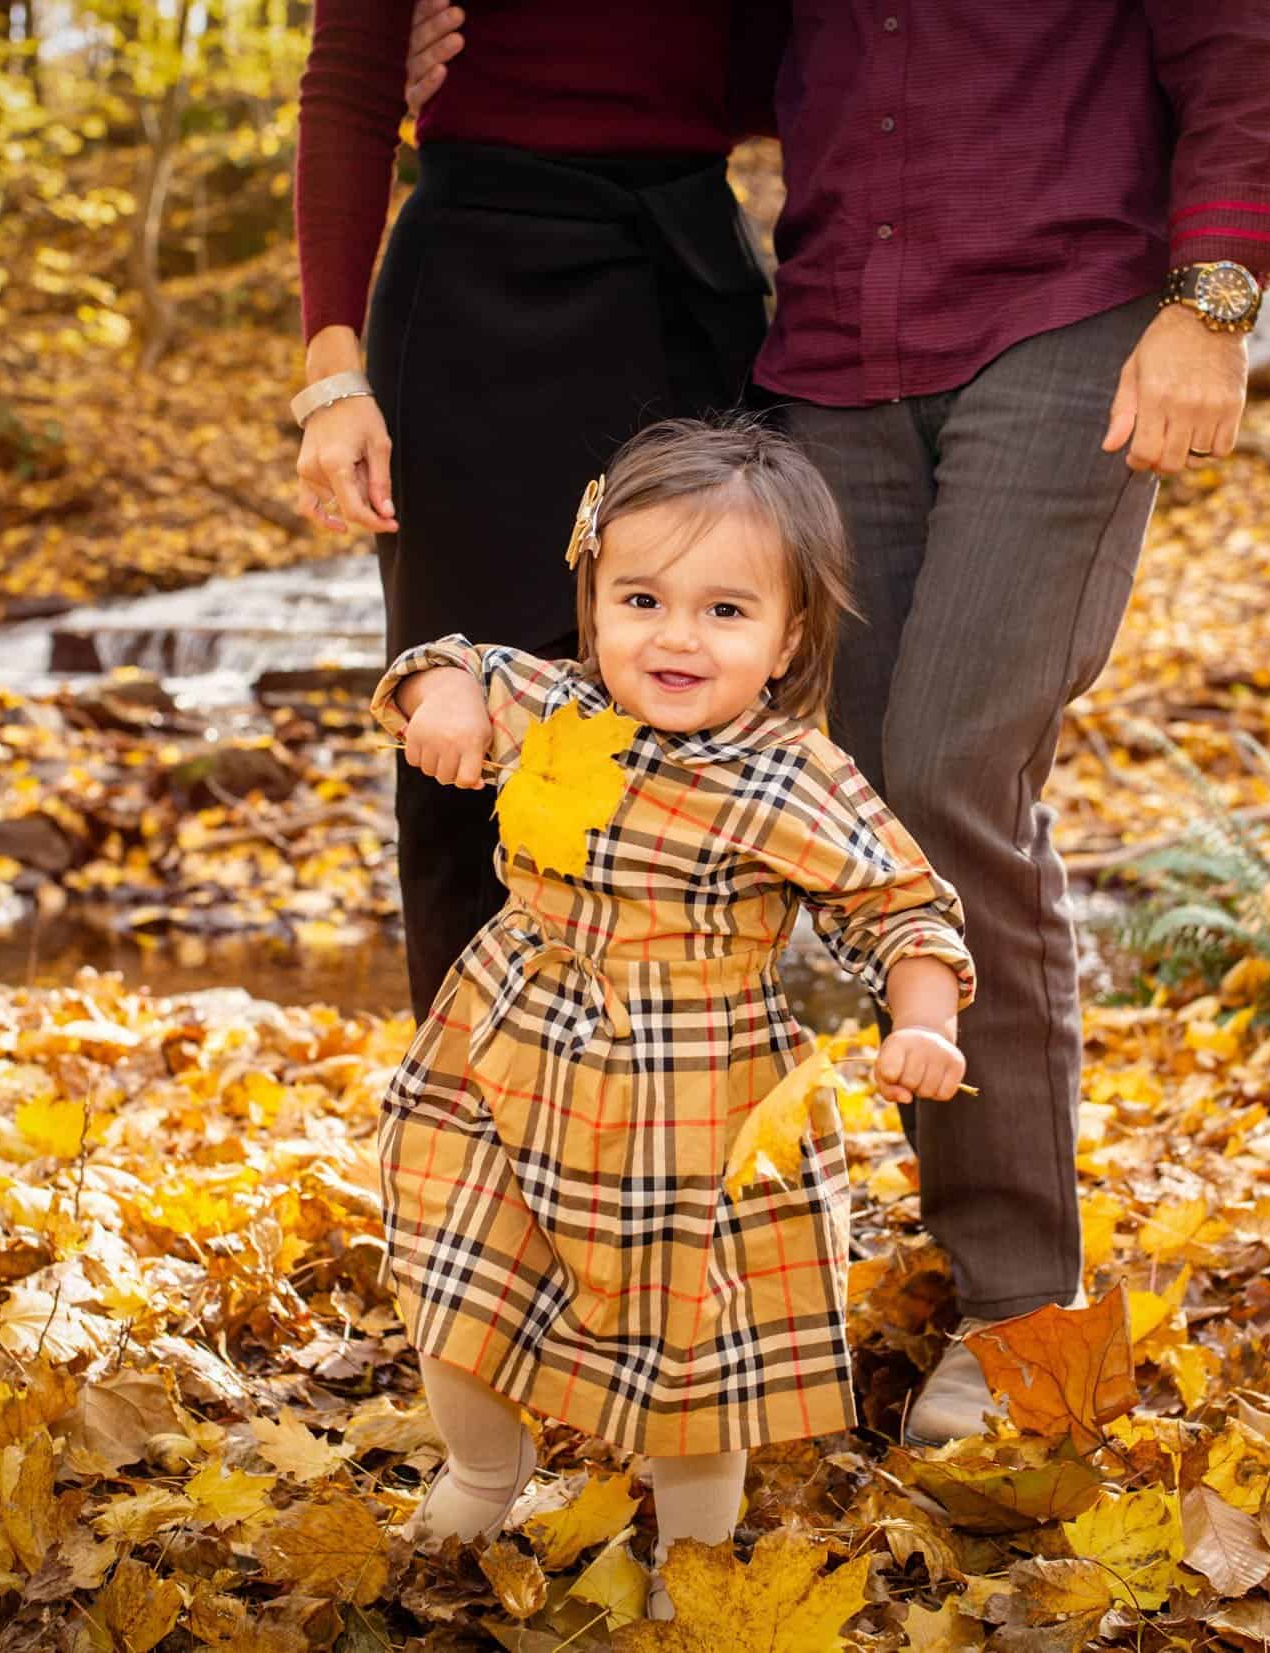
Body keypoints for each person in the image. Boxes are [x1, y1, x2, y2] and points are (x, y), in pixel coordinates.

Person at [403, 0, 1270, 1448]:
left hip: (1065, 323)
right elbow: (712, 60)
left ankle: (1027, 1311)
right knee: (809, 782)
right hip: (832, 349)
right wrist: (458, 72)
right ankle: (634, 1247)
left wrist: (1213, 302)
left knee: (953, 770)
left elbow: (1233, 42)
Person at [369, 419, 974, 1604]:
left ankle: (689, 1550)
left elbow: (904, 907)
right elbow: (443, 663)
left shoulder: (792, 776)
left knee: (689, 1346)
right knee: (458, 1278)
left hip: (693, 1089)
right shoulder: (552, 703)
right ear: (592, 597)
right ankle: (485, 1473)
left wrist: (925, 1020)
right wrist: (439, 699)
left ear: (789, 634)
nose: (675, 637)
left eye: (725, 612)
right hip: (509, 1052)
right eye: (640, 598)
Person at [291, 1, 785, 1020]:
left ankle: (672, 1103)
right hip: (477, 287)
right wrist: (332, 376)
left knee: (699, 706)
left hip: (689, 278)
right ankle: (470, 1121)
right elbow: (346, 84)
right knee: (458, 725)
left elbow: (789, 61)